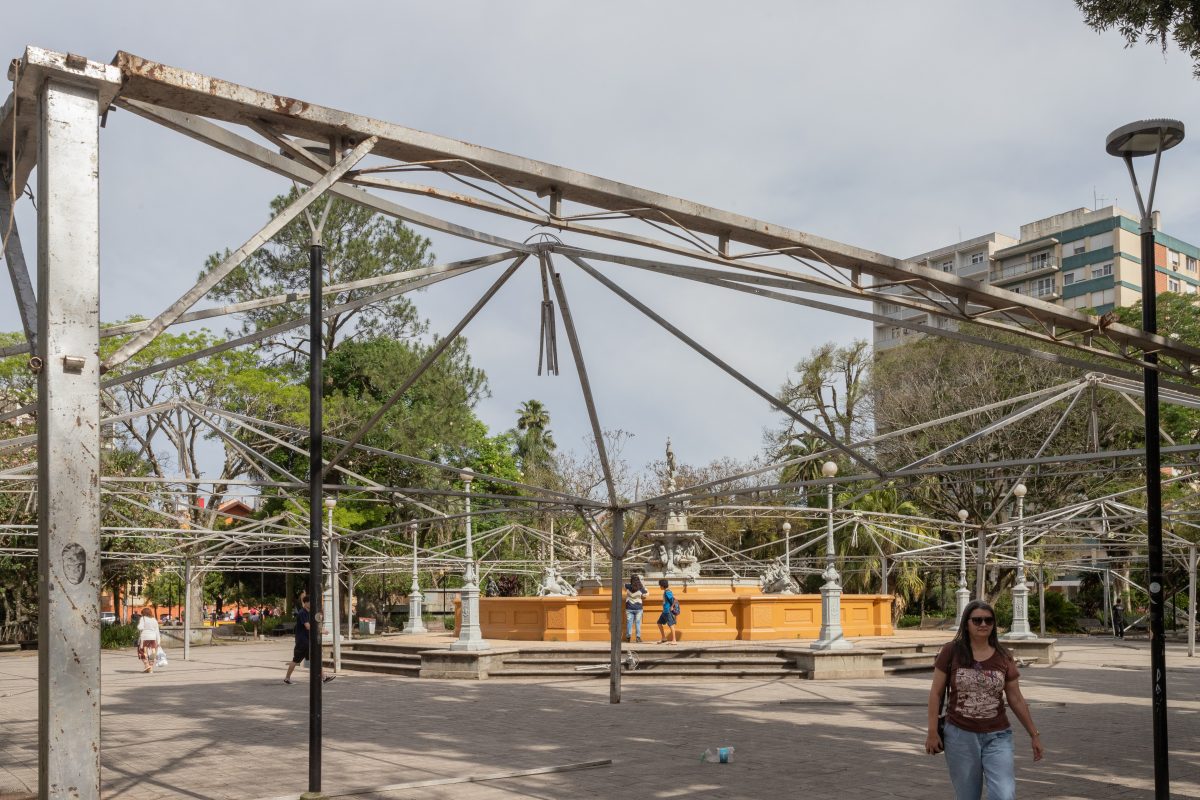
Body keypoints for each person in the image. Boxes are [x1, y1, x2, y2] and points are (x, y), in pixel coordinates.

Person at [925, 600, 1044, 799]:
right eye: (977, 620)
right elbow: (935, 693)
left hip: (997, 736)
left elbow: (1015, 698)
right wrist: (932, 732)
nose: (983, 624)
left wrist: (1034, 734)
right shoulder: (951, 651)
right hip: (959, 736)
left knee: (1004, 794)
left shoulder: (1003, 656)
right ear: (966, 623)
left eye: (988, 620)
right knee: (967, 796)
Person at [284, 594, 335, 685]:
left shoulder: (310, 613)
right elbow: (307, 626)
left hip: (308, 640)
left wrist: (321, 627)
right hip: (303, 641)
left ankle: (324, 677)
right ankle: (287, 678)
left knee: (313, 658)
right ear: (306, 603)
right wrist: (320, 631)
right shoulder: (302, 613)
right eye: (310, 602)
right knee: (296, 660)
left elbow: (314, 624)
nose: (312, 604)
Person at [625, 575, 648, 642]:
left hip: (629, 607)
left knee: (629, 622)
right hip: (638, 607)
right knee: (638, 623)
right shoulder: (641, 588)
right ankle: (638, 637)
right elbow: (645, 594)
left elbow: (624, 587)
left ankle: (628, 637)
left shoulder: (627, 586)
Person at [136, 607, 160, 674]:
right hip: (153, 637)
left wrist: (139, 626)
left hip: (145, 637)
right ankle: (151, 668)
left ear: (143, 613)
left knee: (142, 651)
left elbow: (140, 627)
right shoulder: (154, 620)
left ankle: (147, 665)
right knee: (152, 652)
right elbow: (157, 631)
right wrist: (158, 641)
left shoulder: (143, 618)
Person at [656, 578, 679, 644]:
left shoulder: (668, 592)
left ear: (662, 586)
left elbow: (675, 600)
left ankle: (674, 640)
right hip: (664, 611)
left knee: (671, 625)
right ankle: (663, 638)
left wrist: (671, 607)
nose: (659, 587)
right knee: (659, 623)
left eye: (660, 585)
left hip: (668, 611)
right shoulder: (666, 591)